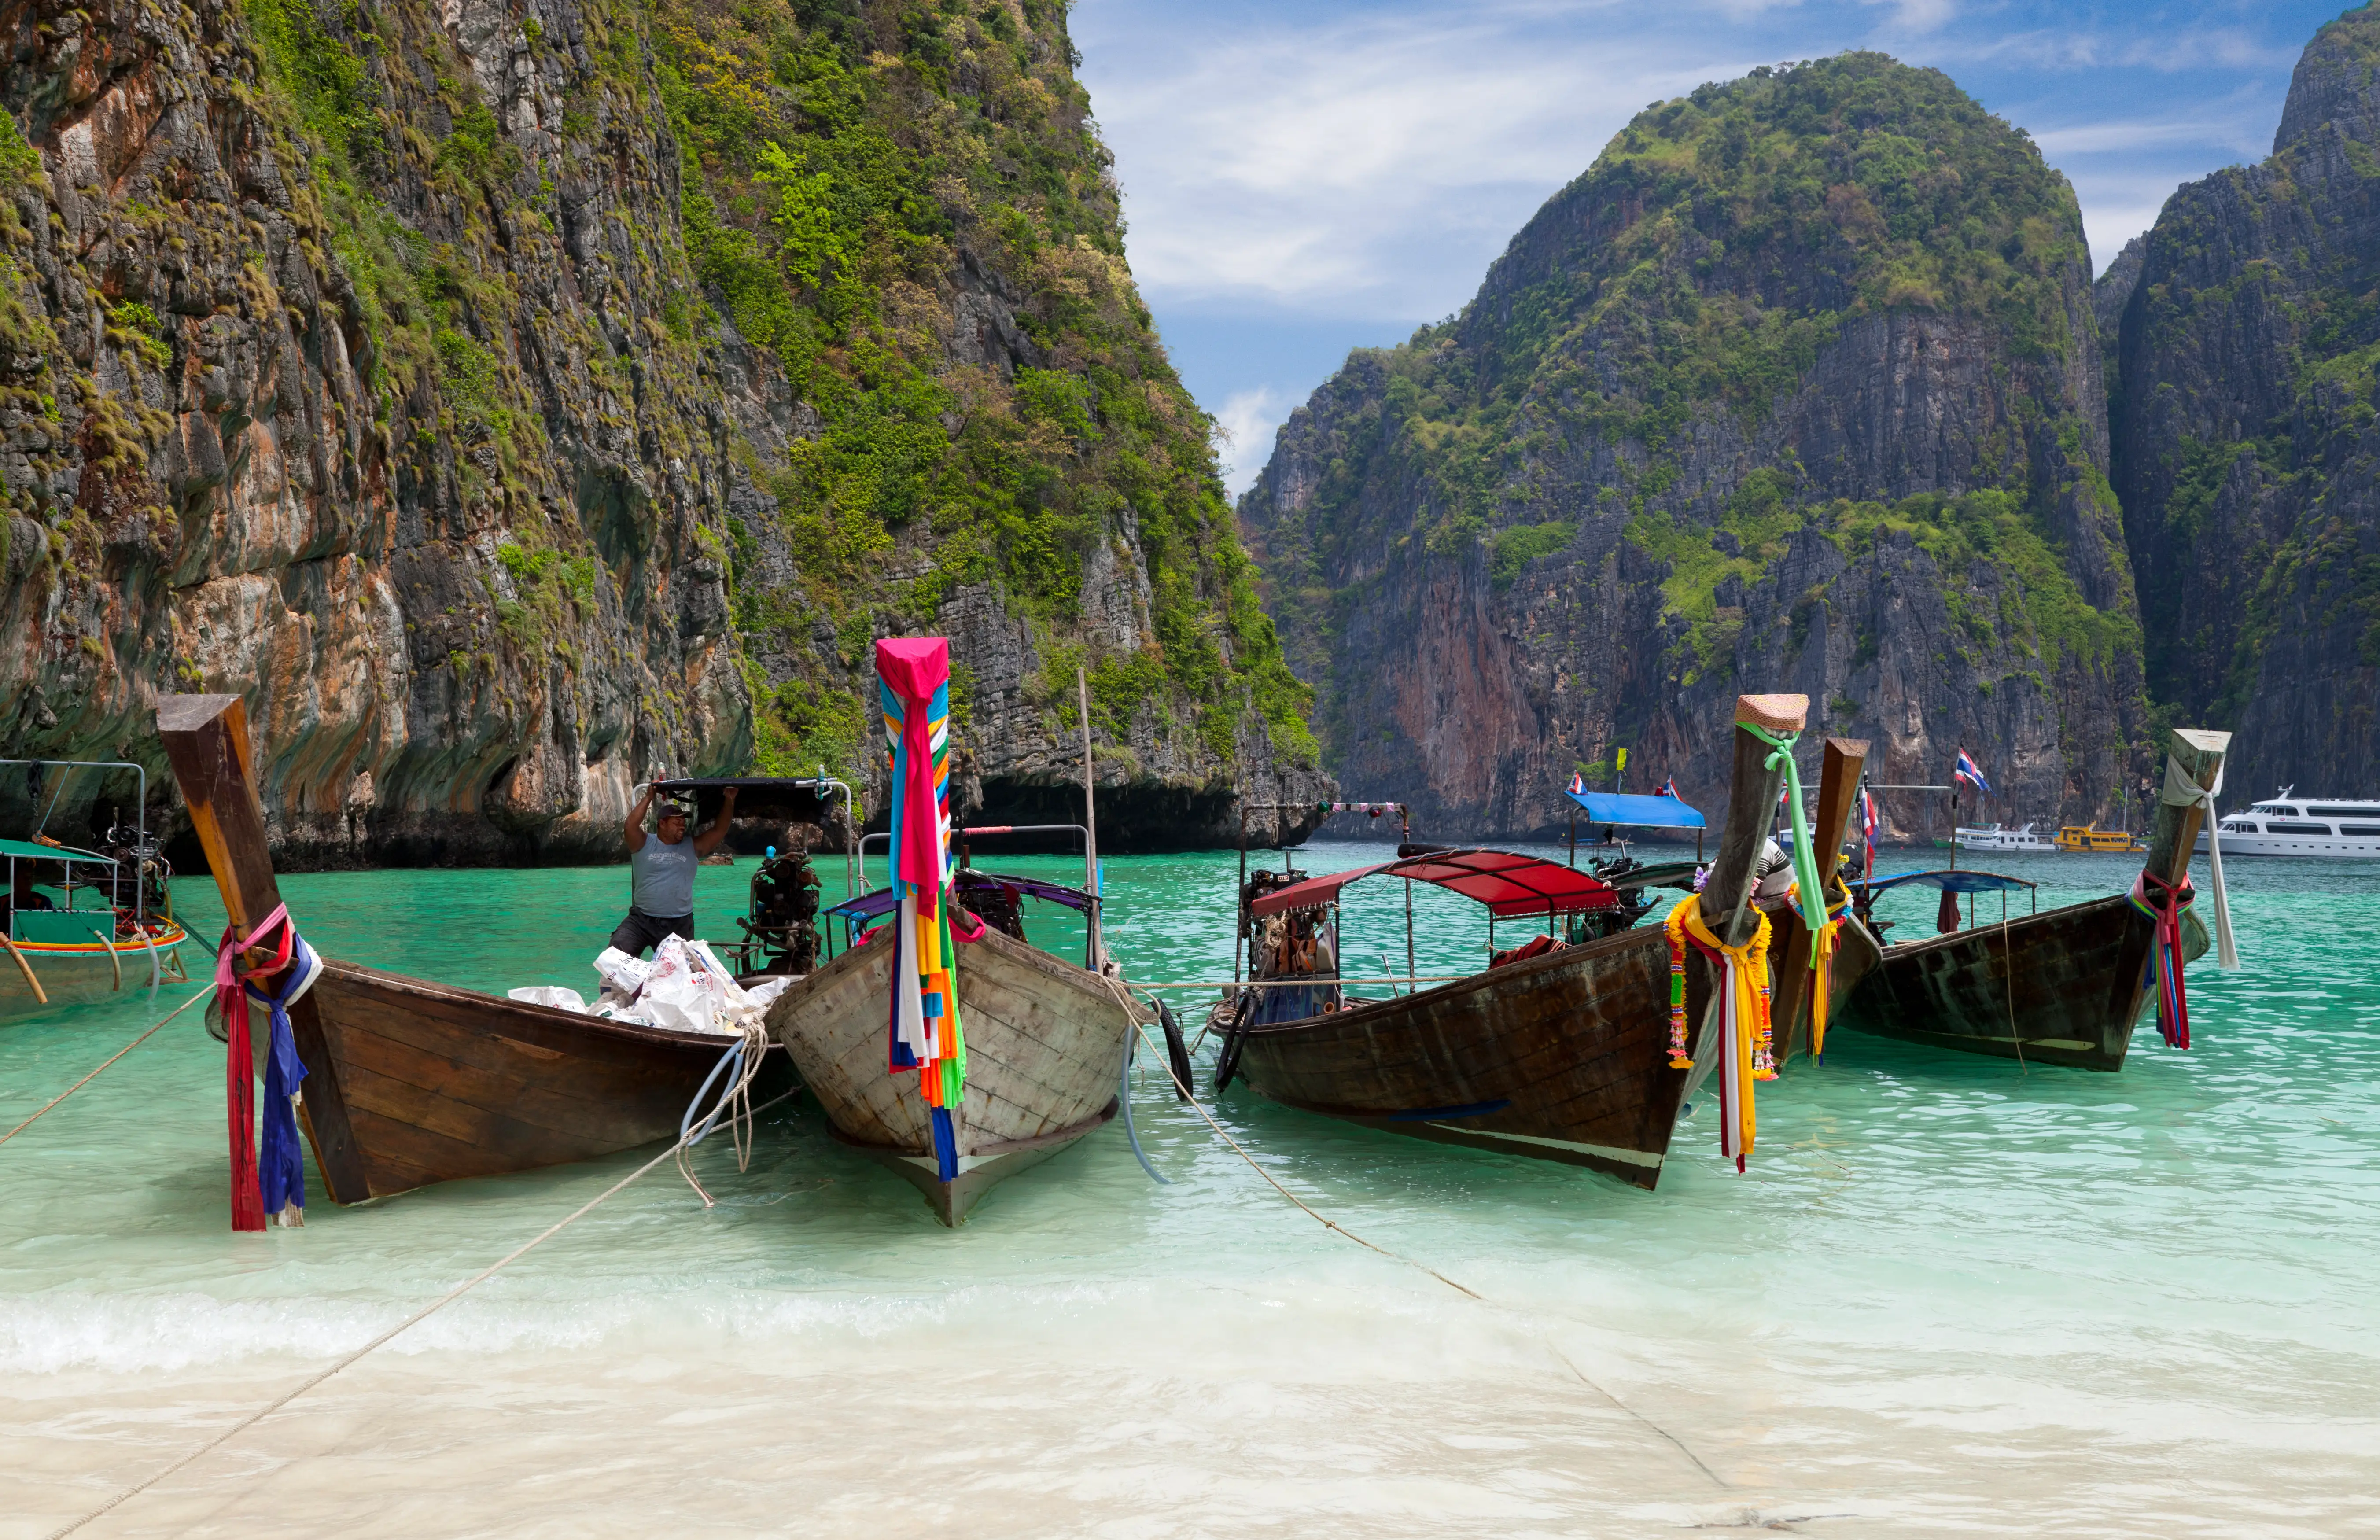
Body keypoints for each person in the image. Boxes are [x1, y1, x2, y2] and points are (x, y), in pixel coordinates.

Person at [612, 784, 737, 956]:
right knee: (616, 953)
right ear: (662, 823)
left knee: (680, 971)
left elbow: (719, 830)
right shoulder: (644, 843)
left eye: (684, 822)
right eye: (677, 822)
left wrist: (730, 799)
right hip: (642, 919)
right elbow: (630, 827)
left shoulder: (692, 846)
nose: (682, 826)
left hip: (679, 923)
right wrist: (649, 797)